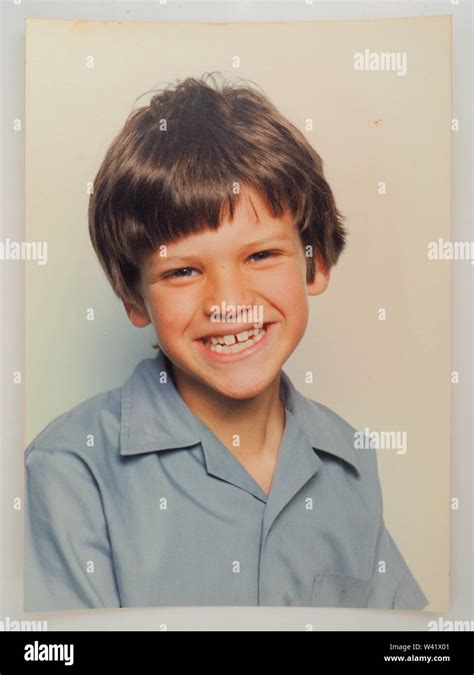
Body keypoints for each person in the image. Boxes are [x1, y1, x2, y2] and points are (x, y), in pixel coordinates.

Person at [24, 73, 428, 611]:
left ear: (317, 263)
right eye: (183, 271)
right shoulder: (71, 469)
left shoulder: (347, 462)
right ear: (134, 298)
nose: (228, 300)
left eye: (261, 256)